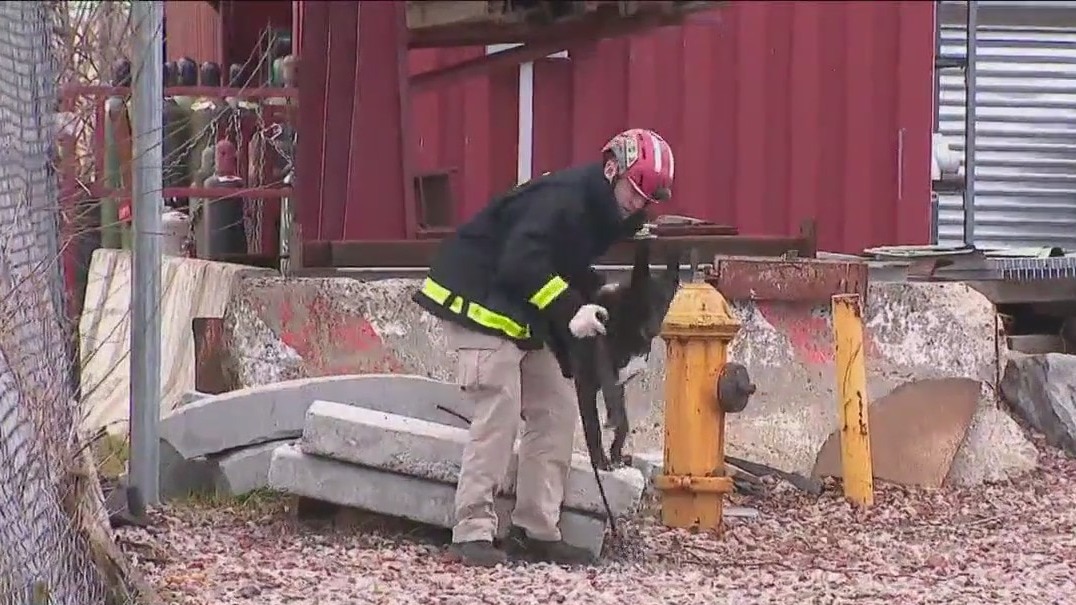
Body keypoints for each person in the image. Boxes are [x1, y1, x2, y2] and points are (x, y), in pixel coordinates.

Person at [411, 128, 676, 567]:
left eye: (647, 198)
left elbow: (559, 263)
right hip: (477, 298)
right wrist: (572, 309)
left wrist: (600, 294)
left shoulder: (600, 213)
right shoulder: (566, 198)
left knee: (555, 407)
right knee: (500, 404)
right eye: (635, 190)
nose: (638, 204)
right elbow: (521, 260)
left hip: (520, 308)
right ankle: (472, 531)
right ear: (612, 169)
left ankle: (536, 529)